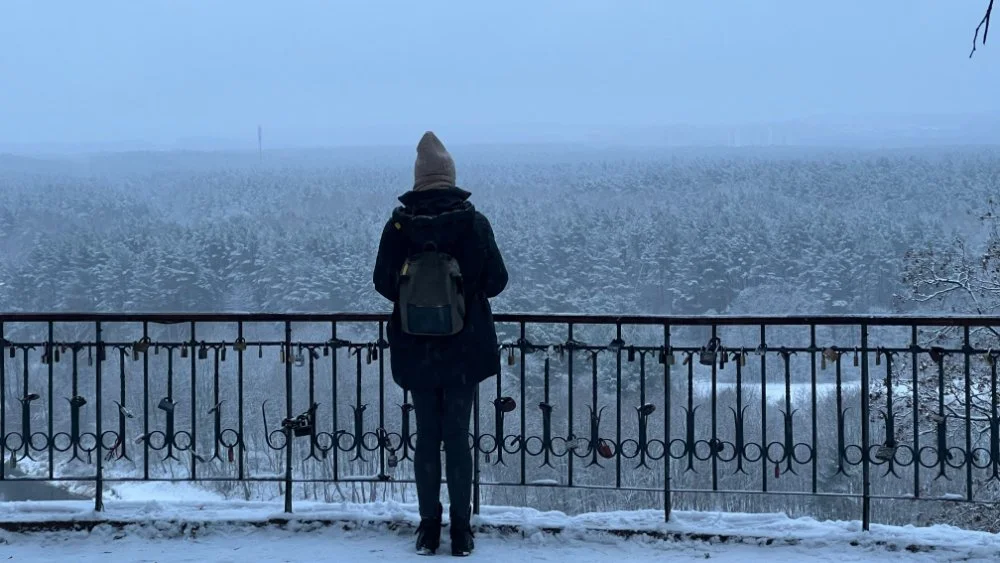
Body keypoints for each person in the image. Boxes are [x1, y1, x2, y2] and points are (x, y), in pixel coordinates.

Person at [372, 131, 508, 556]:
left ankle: (428, 528)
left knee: (427, 435)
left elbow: (382, 282)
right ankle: (462, 532)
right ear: (450, 176)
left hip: (416, 347)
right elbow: (498, 280)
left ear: (418, 179)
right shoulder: (473, 222)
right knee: (457, 435)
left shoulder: (400, 227)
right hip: (463, 349)